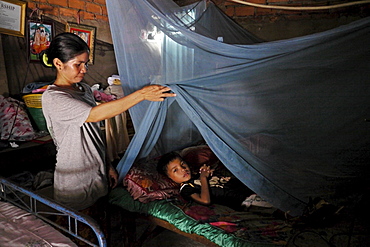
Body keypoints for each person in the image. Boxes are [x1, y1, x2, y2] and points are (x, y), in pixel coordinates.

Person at [41, 32, 176, 213]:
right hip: (75, 180)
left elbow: (93, 134)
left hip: (97, 173)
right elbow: (94, 115)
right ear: (58, 64)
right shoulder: (54, 97)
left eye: (85, 63)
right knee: (81, 234)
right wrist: (142, 94)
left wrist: (107, 164)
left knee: (100, 226)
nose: (84, 69)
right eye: (78, 64)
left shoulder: (84, 89)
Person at [157, 152, 272, 211]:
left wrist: (210, 173)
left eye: (183, 164)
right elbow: (205, 200)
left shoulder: (196, 175)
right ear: (170, 178)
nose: (183, 169)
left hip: (244, 188)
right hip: (241, 200)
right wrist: (203, 178)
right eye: (175, 170)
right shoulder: (186, 188)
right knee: (274, 208)